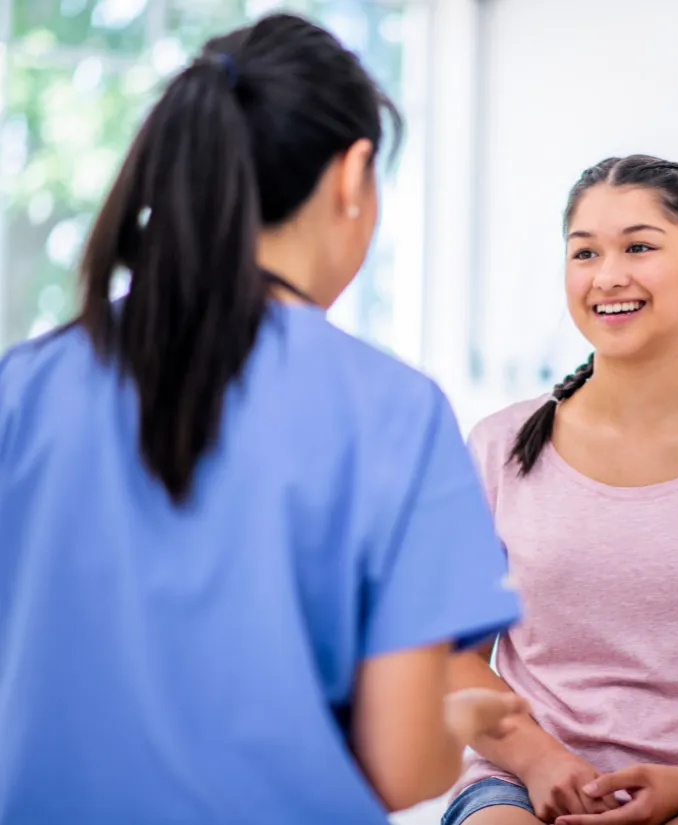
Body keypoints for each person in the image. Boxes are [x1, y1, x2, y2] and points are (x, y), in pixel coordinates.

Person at [0, 14, 527, 825]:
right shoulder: (391, 412)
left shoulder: (25, 385)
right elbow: (401, 767)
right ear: (353, 176)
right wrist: (447, 724)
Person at [444, 155, 678, 825]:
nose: (608, 274)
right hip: (517, 780)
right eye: (584, 252)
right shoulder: (497, 446)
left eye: (639, 246)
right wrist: (537, 760)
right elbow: (452, 660)